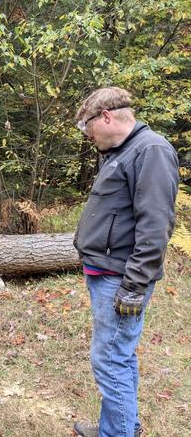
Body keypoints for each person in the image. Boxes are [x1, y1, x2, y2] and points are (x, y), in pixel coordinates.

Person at [72, 87, 179, 437]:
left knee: (109, 361)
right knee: (121, 355)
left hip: (121, 279)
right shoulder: (124, 151)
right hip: (108, 274)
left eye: (88, 127)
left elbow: (155, 226)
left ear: (105, 117)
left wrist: (134, 285)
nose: (88, 136)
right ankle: (120, 427)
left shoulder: (151, 151)